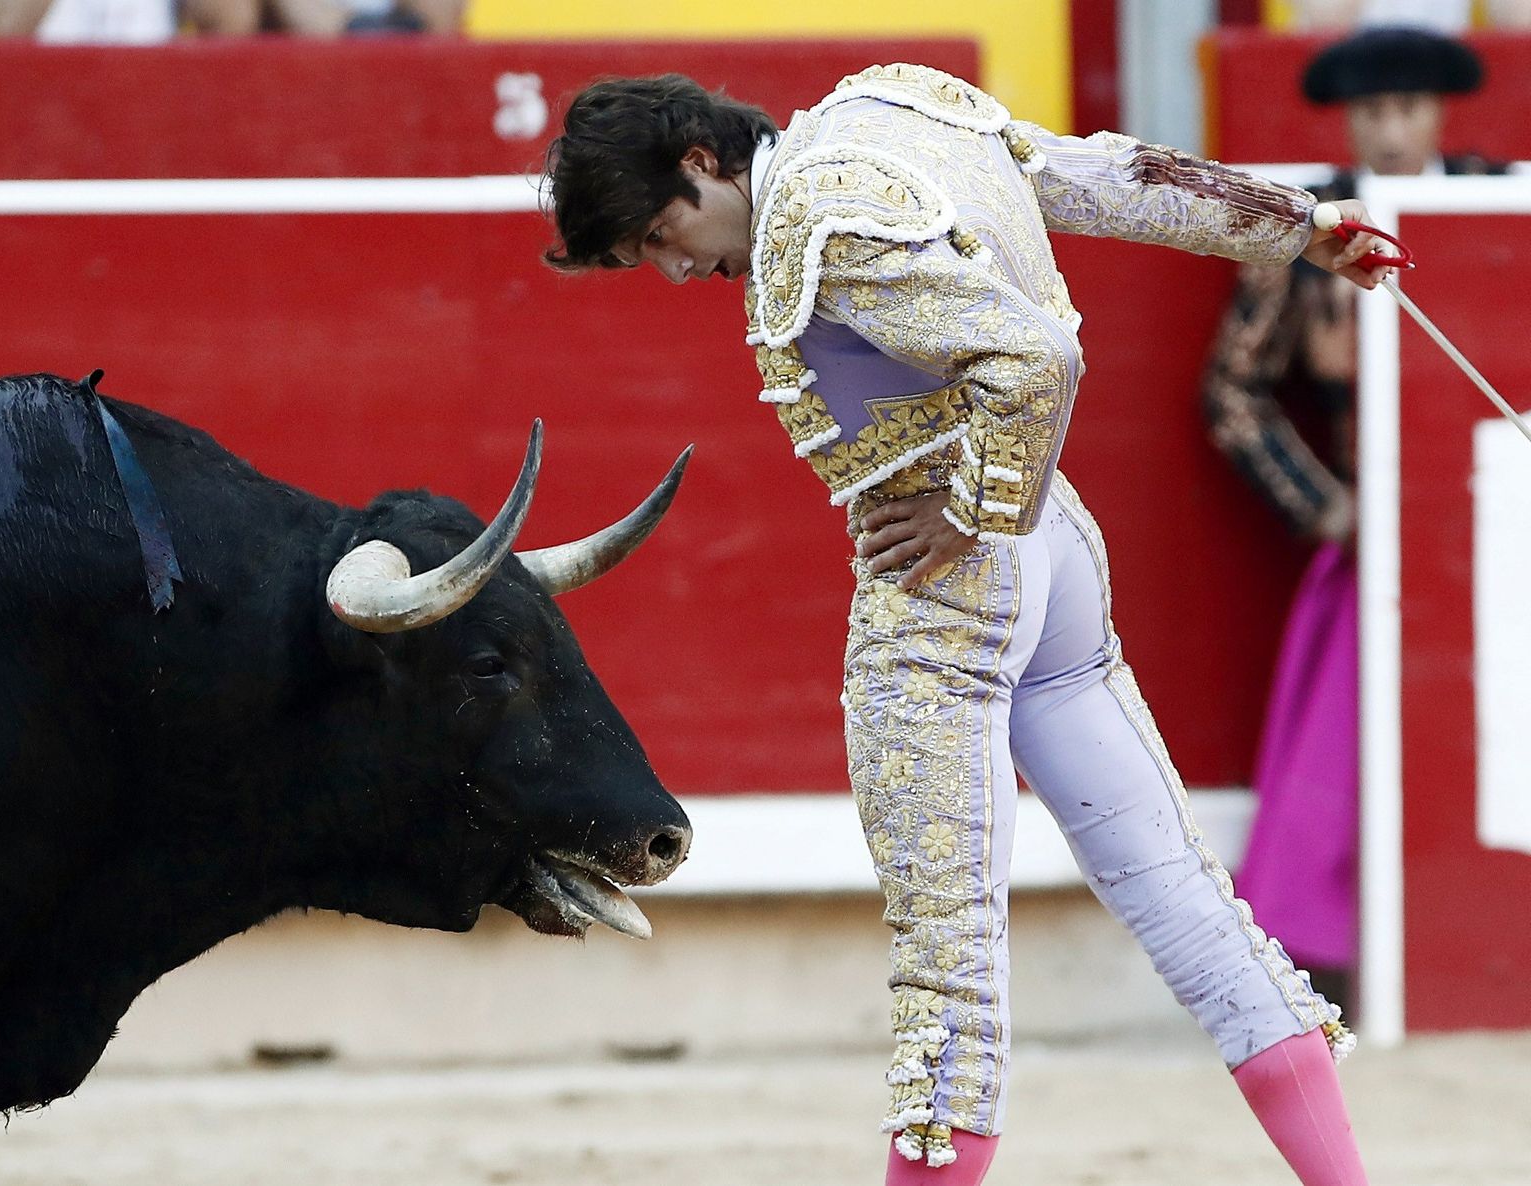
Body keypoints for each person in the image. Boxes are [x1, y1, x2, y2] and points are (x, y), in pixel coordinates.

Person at [541, 63, 1379, 1185]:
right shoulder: (888, 107)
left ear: (702, 159)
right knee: (1182, 893)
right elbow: (1103, 174)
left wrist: (966, 509)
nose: (678, 267)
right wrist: (1296, 226)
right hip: (1057, 557)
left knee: (948, 975)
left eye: (662, 230)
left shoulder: (818, 219)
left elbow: (1036, 357)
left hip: (948, 585)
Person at [1204, 25, 1504, 1010]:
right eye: (1370, 111)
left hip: (1510, 528)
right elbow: (1231, 395)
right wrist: (1324, 506)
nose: (1388, 128)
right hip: (1377, 540)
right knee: (1342, 753)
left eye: (1404, 108)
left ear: (1437, 111)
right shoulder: (1309, 237)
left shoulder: (1503, 200)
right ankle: (1329, 966)